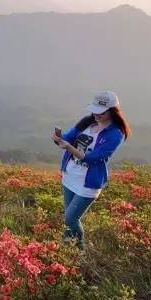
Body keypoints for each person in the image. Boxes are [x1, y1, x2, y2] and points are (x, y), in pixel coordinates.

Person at [52, 90, 131, 247]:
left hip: (88, 182)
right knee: (69, 219)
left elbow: (95, 158)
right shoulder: (87, 122)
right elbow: (68, 138)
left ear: (112, 111)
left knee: (71, 218)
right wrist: (59, 139)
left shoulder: (116, 134)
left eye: (101, 112)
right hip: (70, 175)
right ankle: (67, 249)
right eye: (94, 110)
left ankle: (81, 252)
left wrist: (70, 148)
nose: (96, 114)